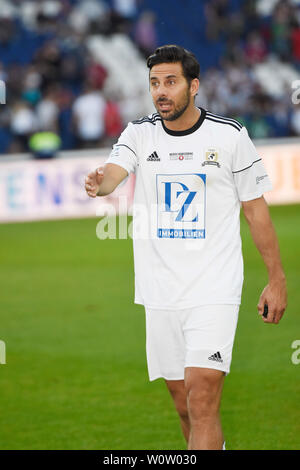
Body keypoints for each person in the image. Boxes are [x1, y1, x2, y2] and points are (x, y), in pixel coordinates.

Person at [85, 45, 287, 450]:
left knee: (203, 396)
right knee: (183, 405)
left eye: (171, 82)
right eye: (155, 83)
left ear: (193, 86)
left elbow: (255, 211)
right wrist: (100, 182)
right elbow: (114, 173)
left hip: (214, 289)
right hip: (159, 292)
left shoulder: (229, 136)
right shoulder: (139, 133)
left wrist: (276, 279)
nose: (161, 91)